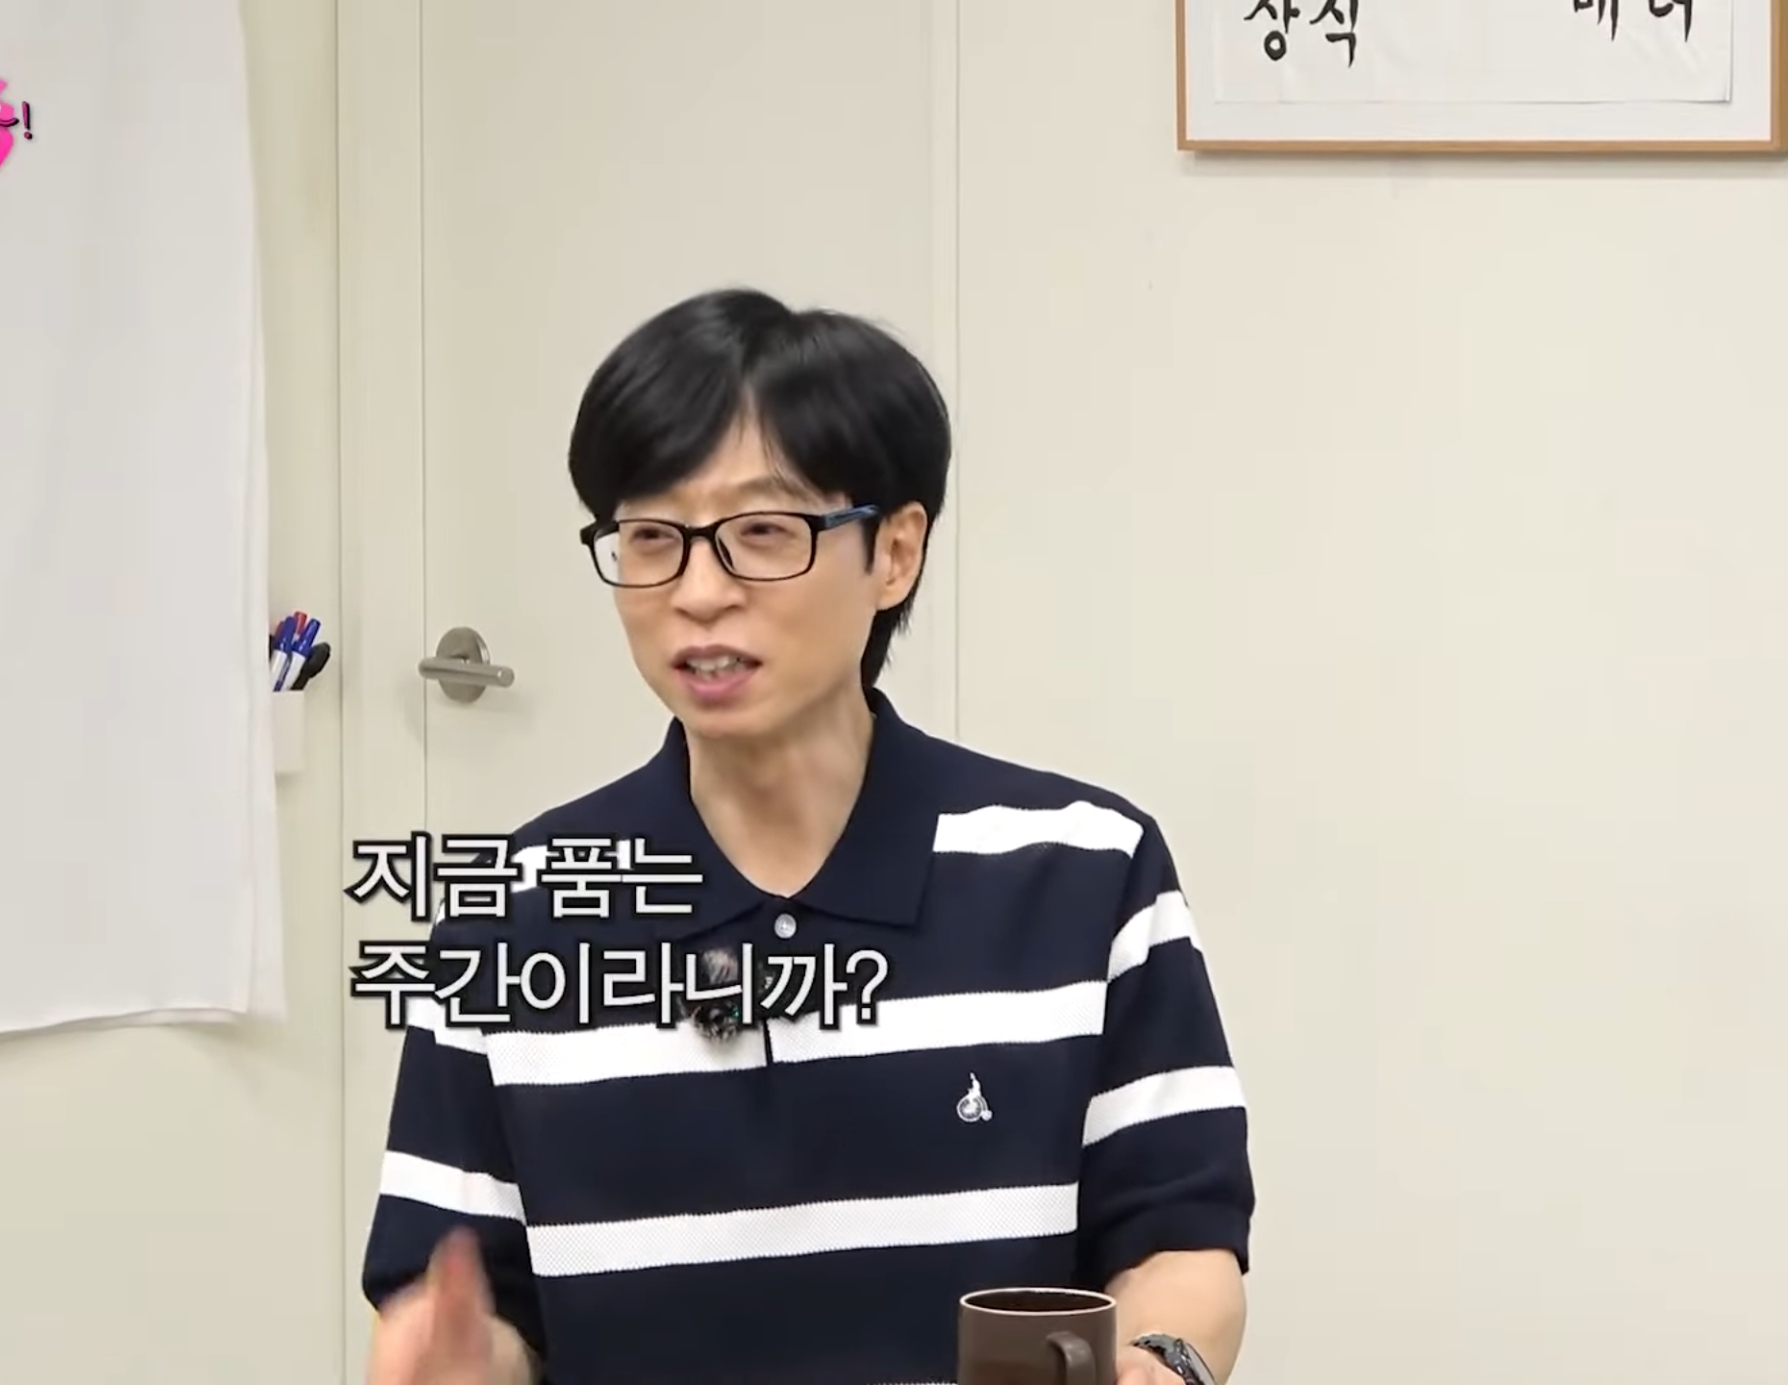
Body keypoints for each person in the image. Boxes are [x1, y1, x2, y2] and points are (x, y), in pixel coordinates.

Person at [360, 288, 1256, 1385]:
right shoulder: (509, 921)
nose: (698, 592)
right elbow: (480, 1320)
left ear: (895, 552)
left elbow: (1179, 1241)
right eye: (651, 538)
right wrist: (449, 1360)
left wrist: (1162, 1361)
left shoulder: (1082, 871)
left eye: (761, 534)